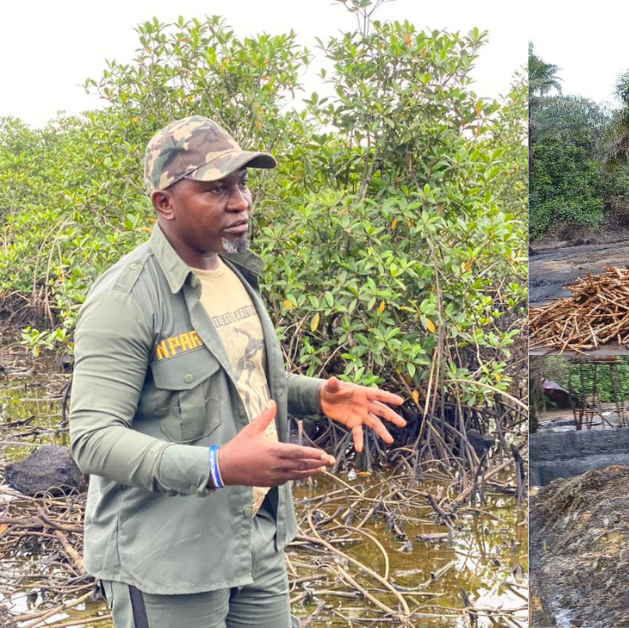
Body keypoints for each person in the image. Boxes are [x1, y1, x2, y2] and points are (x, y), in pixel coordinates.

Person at [69, 116, 408, 627]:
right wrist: (215, 466)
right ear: (165, 203)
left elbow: (238, 380)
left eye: (243, 184)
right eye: (217, 188)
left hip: (254, 538)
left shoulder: (232, 272)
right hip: (168, 558)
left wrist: (317, 396)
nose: (241, 201)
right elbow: (92, 438)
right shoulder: (126, 298)